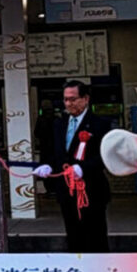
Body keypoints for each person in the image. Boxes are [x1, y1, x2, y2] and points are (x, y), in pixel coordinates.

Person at [33, 80, 111, 252]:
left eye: (73, 99)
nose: (69, 104)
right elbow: (55, 152)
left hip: (91, 190)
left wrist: (83, 168)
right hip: (67, 191)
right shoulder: (59, 124)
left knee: (95, 238)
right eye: (66, 99)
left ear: (85, 99)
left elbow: (106, 156)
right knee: (74, 236)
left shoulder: (100, 124)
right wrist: (48, 166)